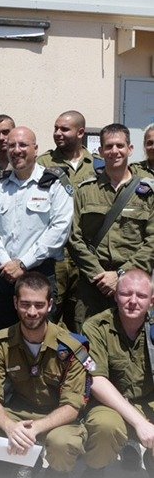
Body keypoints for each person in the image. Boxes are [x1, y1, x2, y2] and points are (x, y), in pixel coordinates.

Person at [0, 272, 90, 478]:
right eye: (25, 304)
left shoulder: (71, 347)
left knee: (63, 444)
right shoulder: (1, 342)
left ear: (50, 305)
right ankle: (27, 464)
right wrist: (9, 426)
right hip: (21, 412)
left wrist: (36, 429)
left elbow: (72, 406)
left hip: (57, 417)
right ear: (15, 303)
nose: (32, 312)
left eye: (39, 305)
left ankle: (54, 476)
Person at [70, 269, 154, 478]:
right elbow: (97, 380)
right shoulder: (96, 326)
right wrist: (140, 423)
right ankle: (95, 470)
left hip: (148, 400)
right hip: (111, 404)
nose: (133, 301)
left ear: (151, 301)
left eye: (141, 295)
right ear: (116, 295)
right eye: (126, 294)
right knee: (105, 426)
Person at [0, 126, 73, 329]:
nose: (16, 150)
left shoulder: (54, 183)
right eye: (11, 145)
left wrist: (23, 264)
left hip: (40, 271)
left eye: (23, 145)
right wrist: (7, 263)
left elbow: (59, 229)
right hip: (3, 272)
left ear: (35, 149)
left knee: (39, 334)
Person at [69, 123, 154, 328]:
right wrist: (98, 275)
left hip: (133, 286)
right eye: (108, 146)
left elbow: (152, 241)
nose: (114, 151)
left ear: (130, 149)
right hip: (93, 285)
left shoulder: (148, 193)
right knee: (88, 338)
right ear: (100, 151)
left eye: (120, 146)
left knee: (132, 339)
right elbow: (74, 237)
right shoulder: (85, 190)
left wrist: (121, 275)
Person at [37, 110, 96, 329]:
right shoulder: (42, 163)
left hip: (85, 254)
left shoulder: (97, 166)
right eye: (56, 128)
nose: (58, 133)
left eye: (64, 129)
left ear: (80, 132)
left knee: (81, 317)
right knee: (49, 313)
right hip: (55, 255)